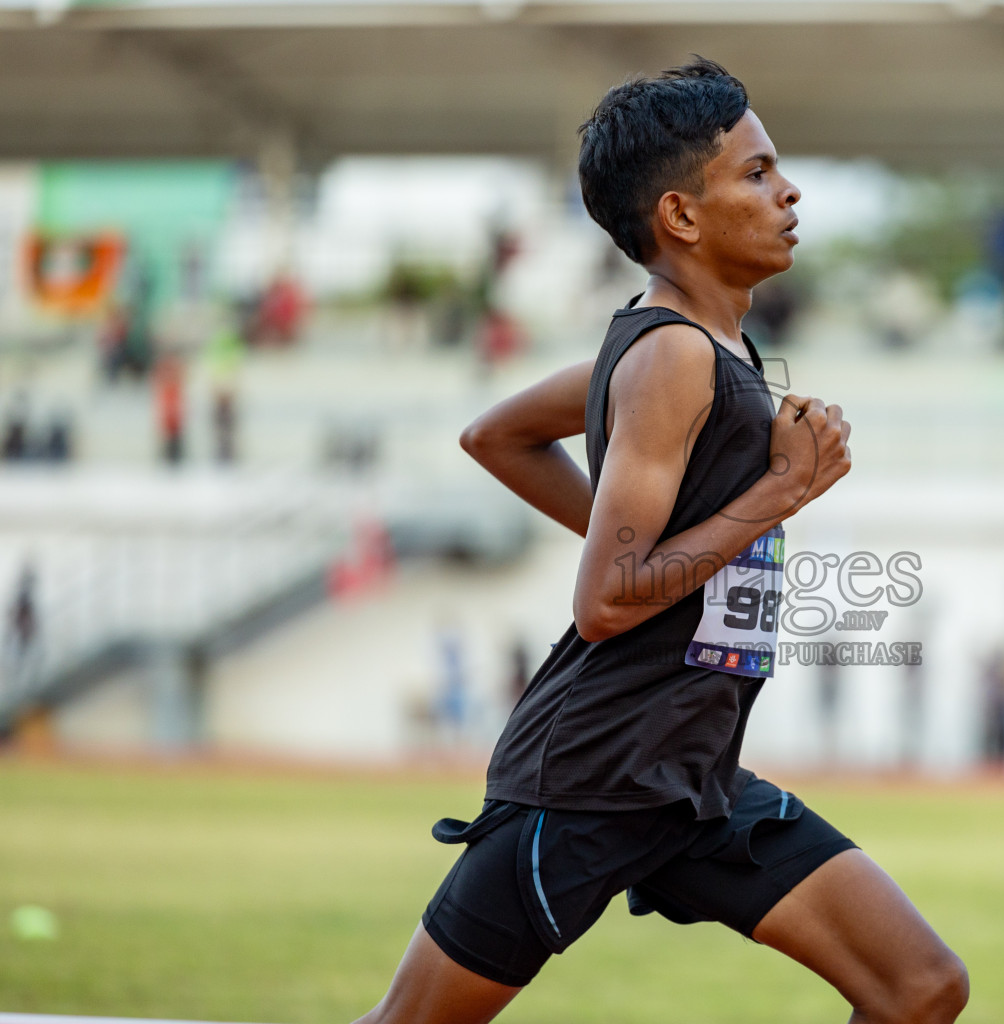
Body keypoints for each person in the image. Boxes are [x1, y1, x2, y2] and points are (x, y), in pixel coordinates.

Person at [354, 59, 968, 1024]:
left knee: (920, 988)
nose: (790, 189)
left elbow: (497, 436)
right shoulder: (673, 353)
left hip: (693, 782)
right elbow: (605, 601)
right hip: (596, 776)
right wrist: (780, 492)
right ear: (682, 216)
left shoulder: (688, 343)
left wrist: (659, 538)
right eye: (758, 173)